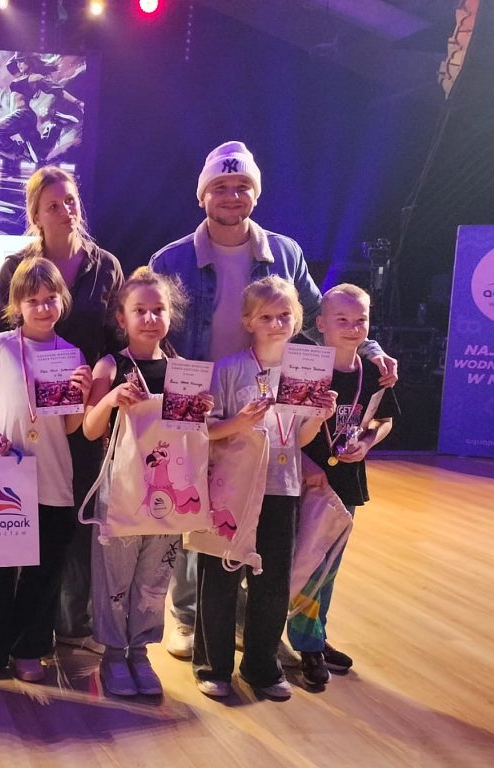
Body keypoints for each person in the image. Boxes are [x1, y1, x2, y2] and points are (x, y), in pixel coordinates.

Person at [148, 140, 398, 660]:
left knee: (258, 513)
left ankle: (246, 619)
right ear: (202, 195)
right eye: (220, 186)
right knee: (198, 504)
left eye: (242, 186)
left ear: (256, 194)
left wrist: (370, 348)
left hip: (266, 399)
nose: (232, 195)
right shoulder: (170, 259)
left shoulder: (285, 253)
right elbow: (153, 327)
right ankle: (187, 614)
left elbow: (325, 313)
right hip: (201, 397)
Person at [0, 165, 123, 652]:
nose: (65, 210)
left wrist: (100, 379)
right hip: (17, 428)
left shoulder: (105, 266)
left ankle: (60, 630)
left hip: (80, 408)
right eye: (53, 204)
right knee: (3, 539)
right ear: (35, 214)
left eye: (70, 200)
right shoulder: (16, 268)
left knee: (65, 529)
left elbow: (115, 338)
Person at [0, 257, 93, 683]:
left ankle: (29, 649)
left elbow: (70, 427)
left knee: (44, 572)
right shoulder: (1, 346)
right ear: (17, 305)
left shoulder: (71, 355)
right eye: (33, 301)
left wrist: (81, 398)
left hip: (53, 477)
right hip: (5, 474)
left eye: (50, 299)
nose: (43, 308)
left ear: (62, 300)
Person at [194, 276, 337, 701]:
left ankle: (261, 666)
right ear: (248, 321)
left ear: (297, 319)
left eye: (284, 315)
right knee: (221, 576)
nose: (276, 324)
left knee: (273, 581)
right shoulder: (228, 369)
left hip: (282, 487)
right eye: (266, 317)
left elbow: (300, 440)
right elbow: (205, 431)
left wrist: (319, 416)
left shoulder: (305, 369)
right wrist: (240, 422)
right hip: (233, 489)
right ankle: (213, 665)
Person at [81, 267, 212, 697]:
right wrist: (111, 398)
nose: (151, 318)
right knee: (114, 577)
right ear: (122, 317)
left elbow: (193, 437)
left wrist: (201, 412)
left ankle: (140, 652)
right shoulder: (111, 365)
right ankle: (112, 654)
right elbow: (89, 429)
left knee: (155, 576)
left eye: (159, 310)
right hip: (121, 491)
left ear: (171, 315)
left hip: (166, 494)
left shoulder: (183, 371)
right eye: (140, 310)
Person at [289, 284, 399, 688]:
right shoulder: (305, 368)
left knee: (328, 565)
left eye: (360, 321)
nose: (353, 328)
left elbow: (384, 420)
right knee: (301, 560)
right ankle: (298, 640)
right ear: (320, 324)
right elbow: (284, 424)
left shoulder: (374, 373)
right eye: (342, 320)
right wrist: (303, 460)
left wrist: (367, 443)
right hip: (304, 480)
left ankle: (313, 639)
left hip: (345, 482)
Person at [0, 53, 84, 170]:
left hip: (22, 115)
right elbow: (10, 64)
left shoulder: (35, 78)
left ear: (29, 61)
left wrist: (78, 102)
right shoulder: (19, 75)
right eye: (18, 61)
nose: (19, 64)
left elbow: (58, 91)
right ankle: (56, 125)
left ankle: (22, 152)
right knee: (40, 153)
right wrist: (22, 53)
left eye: (22, 61)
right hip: (24, 119)